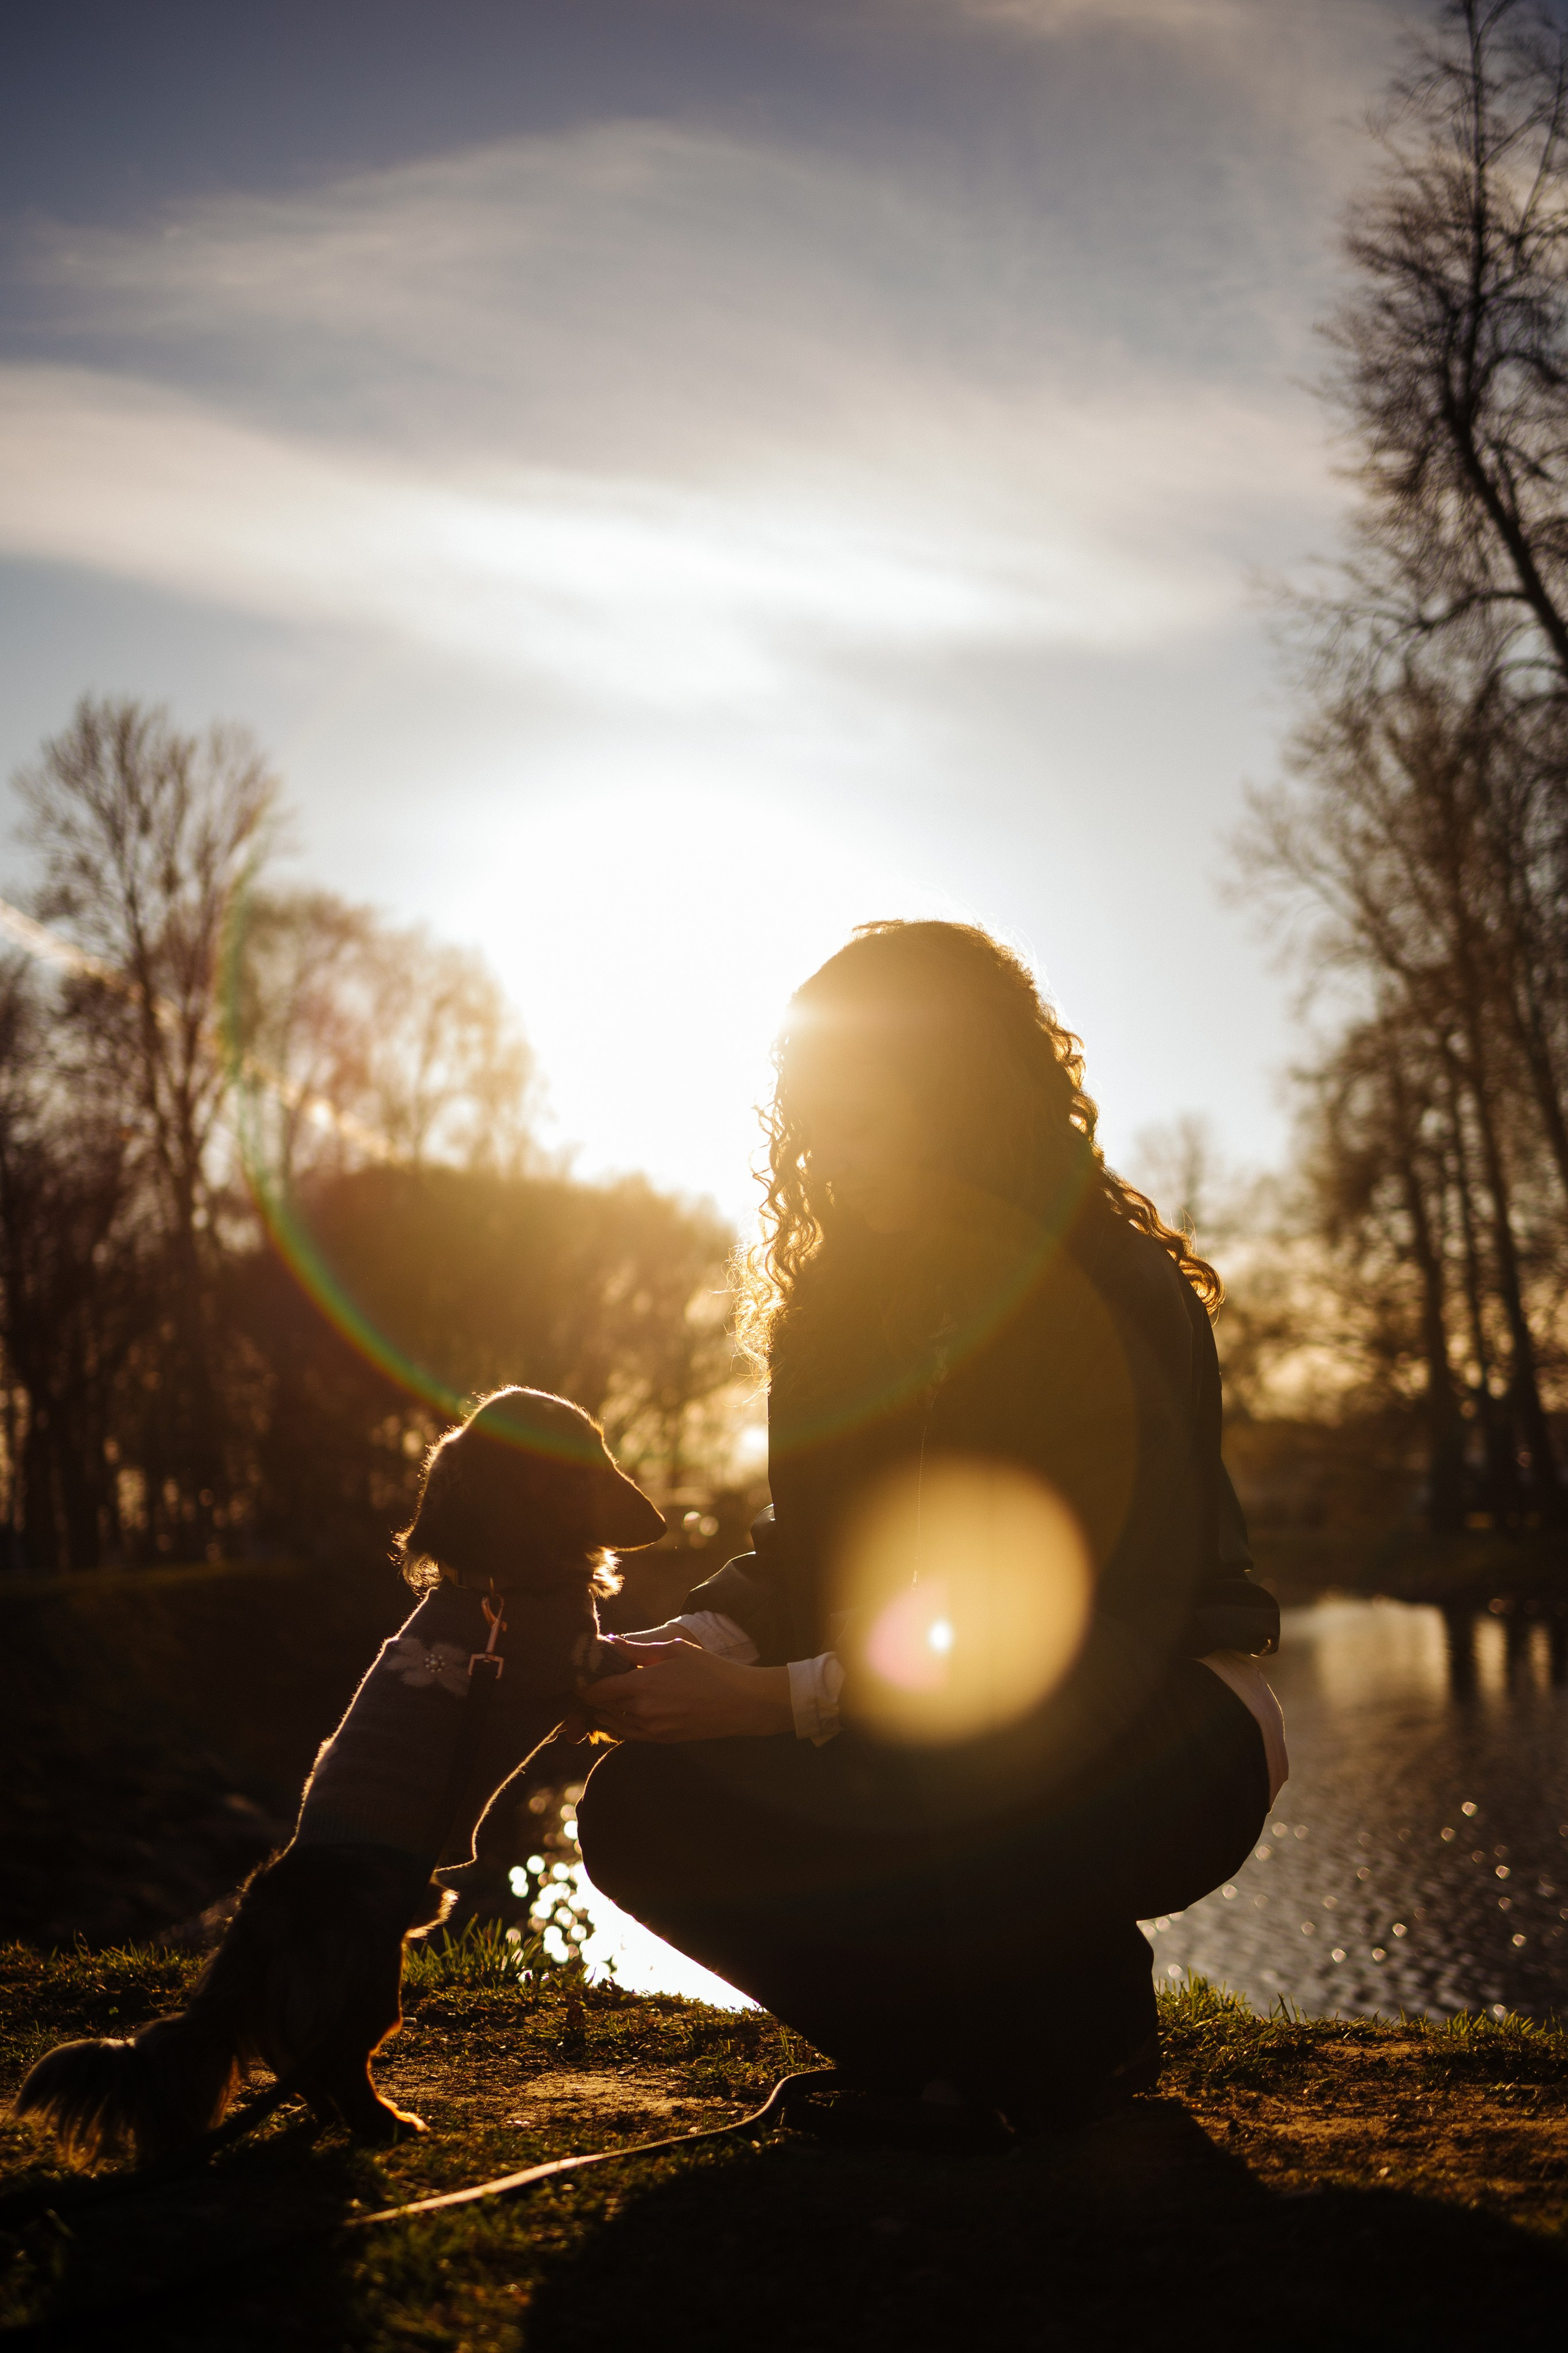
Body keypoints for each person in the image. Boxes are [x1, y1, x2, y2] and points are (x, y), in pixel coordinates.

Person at [576, 920, 1284, 2128]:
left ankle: (1044, 2047)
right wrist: (691, 1648)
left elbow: (1049, 1618)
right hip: (913, 1714)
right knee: (639, 1810)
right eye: (813, 1130)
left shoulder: (1112, 1288)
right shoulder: (837, 1310)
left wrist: (775, 1700)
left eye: (861, 1121)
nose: (832, 1161)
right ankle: (964, 2056)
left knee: (978, 1737)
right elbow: (805, 1545)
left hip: (1154, 1728)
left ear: (960, 1098)